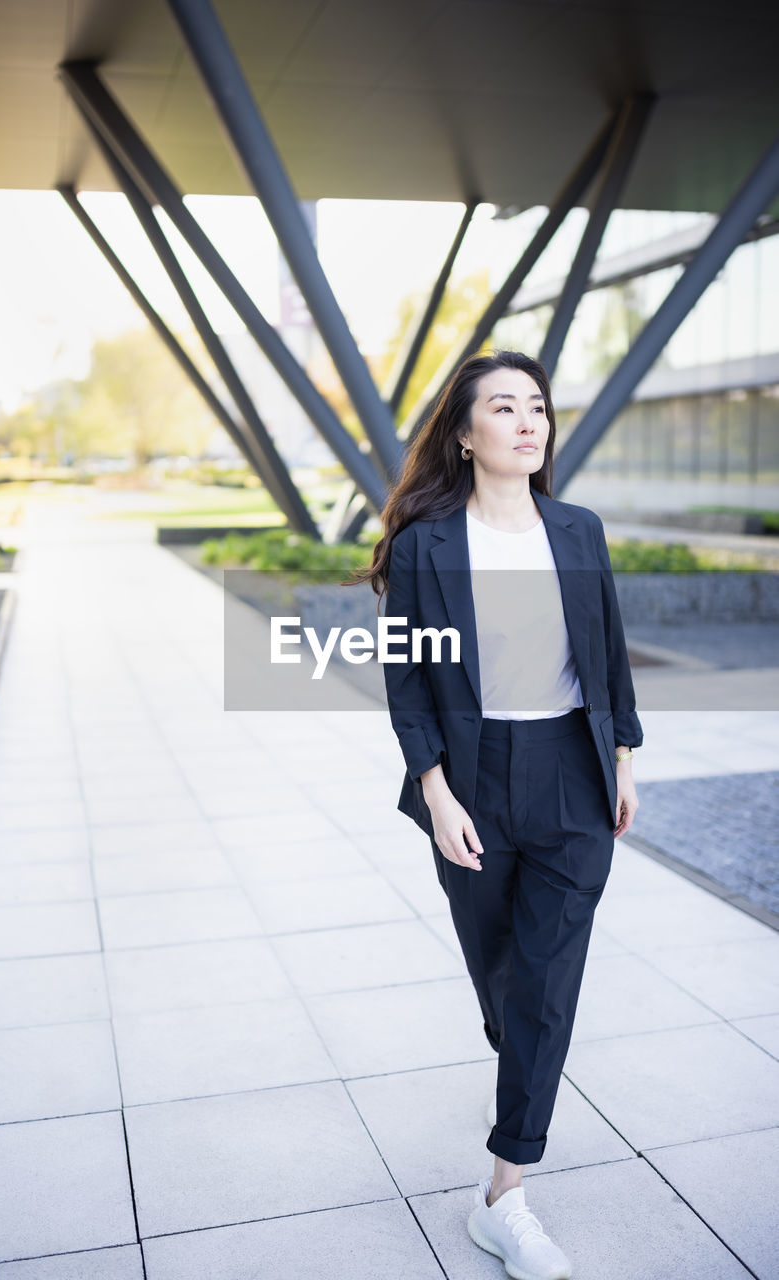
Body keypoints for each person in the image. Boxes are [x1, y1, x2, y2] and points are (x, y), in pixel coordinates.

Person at [354, 350, 642, 1280]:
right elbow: (407, 685)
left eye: (538, 408)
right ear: (465, 435)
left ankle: (504, 1195)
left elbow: (610, 654)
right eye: (504, 408)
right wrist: (436, 795)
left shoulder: (579, 530)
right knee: (504, 983)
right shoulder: (425, 544)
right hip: (473, 781)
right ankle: (519, 1056)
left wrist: (624, 757)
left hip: (571, 774)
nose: (528, 422)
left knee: (547, 989)